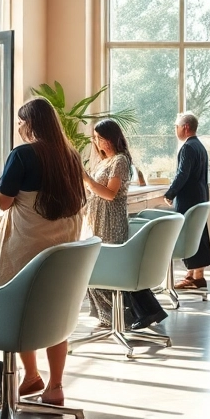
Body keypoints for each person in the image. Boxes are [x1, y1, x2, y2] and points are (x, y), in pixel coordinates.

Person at [0, 98, 85, 409]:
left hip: (27, 258)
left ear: (31, 124)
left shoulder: (23, 155)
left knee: (17, 313)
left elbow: (4, 202)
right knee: (54, 316)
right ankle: (52, 384)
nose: (19, 127)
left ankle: (28, 372)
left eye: (21, 122)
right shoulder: (71, 157)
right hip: (60, 260)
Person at [84, 119, 167, 329]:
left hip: (110, 221)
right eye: (95, 138)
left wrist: (86, 179)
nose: (97, 142)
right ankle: (125, 314)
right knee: (101, 267)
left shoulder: (120, 161)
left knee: (106, 267)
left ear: (111, 138)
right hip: (97, 219)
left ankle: (124, 315)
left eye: (100, 138)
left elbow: (110, 194)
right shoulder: (104, 162)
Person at [168, 113, 210, 290]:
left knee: (189, 235)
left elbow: (182, 174)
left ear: (185, 127)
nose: (176, 130)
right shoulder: (199, 146)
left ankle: (196, 277)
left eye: (176, 126)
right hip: (200, 196)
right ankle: (194, 274)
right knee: (197, 233)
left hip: (189, 198)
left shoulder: (188, 147)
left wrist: (170, 193)